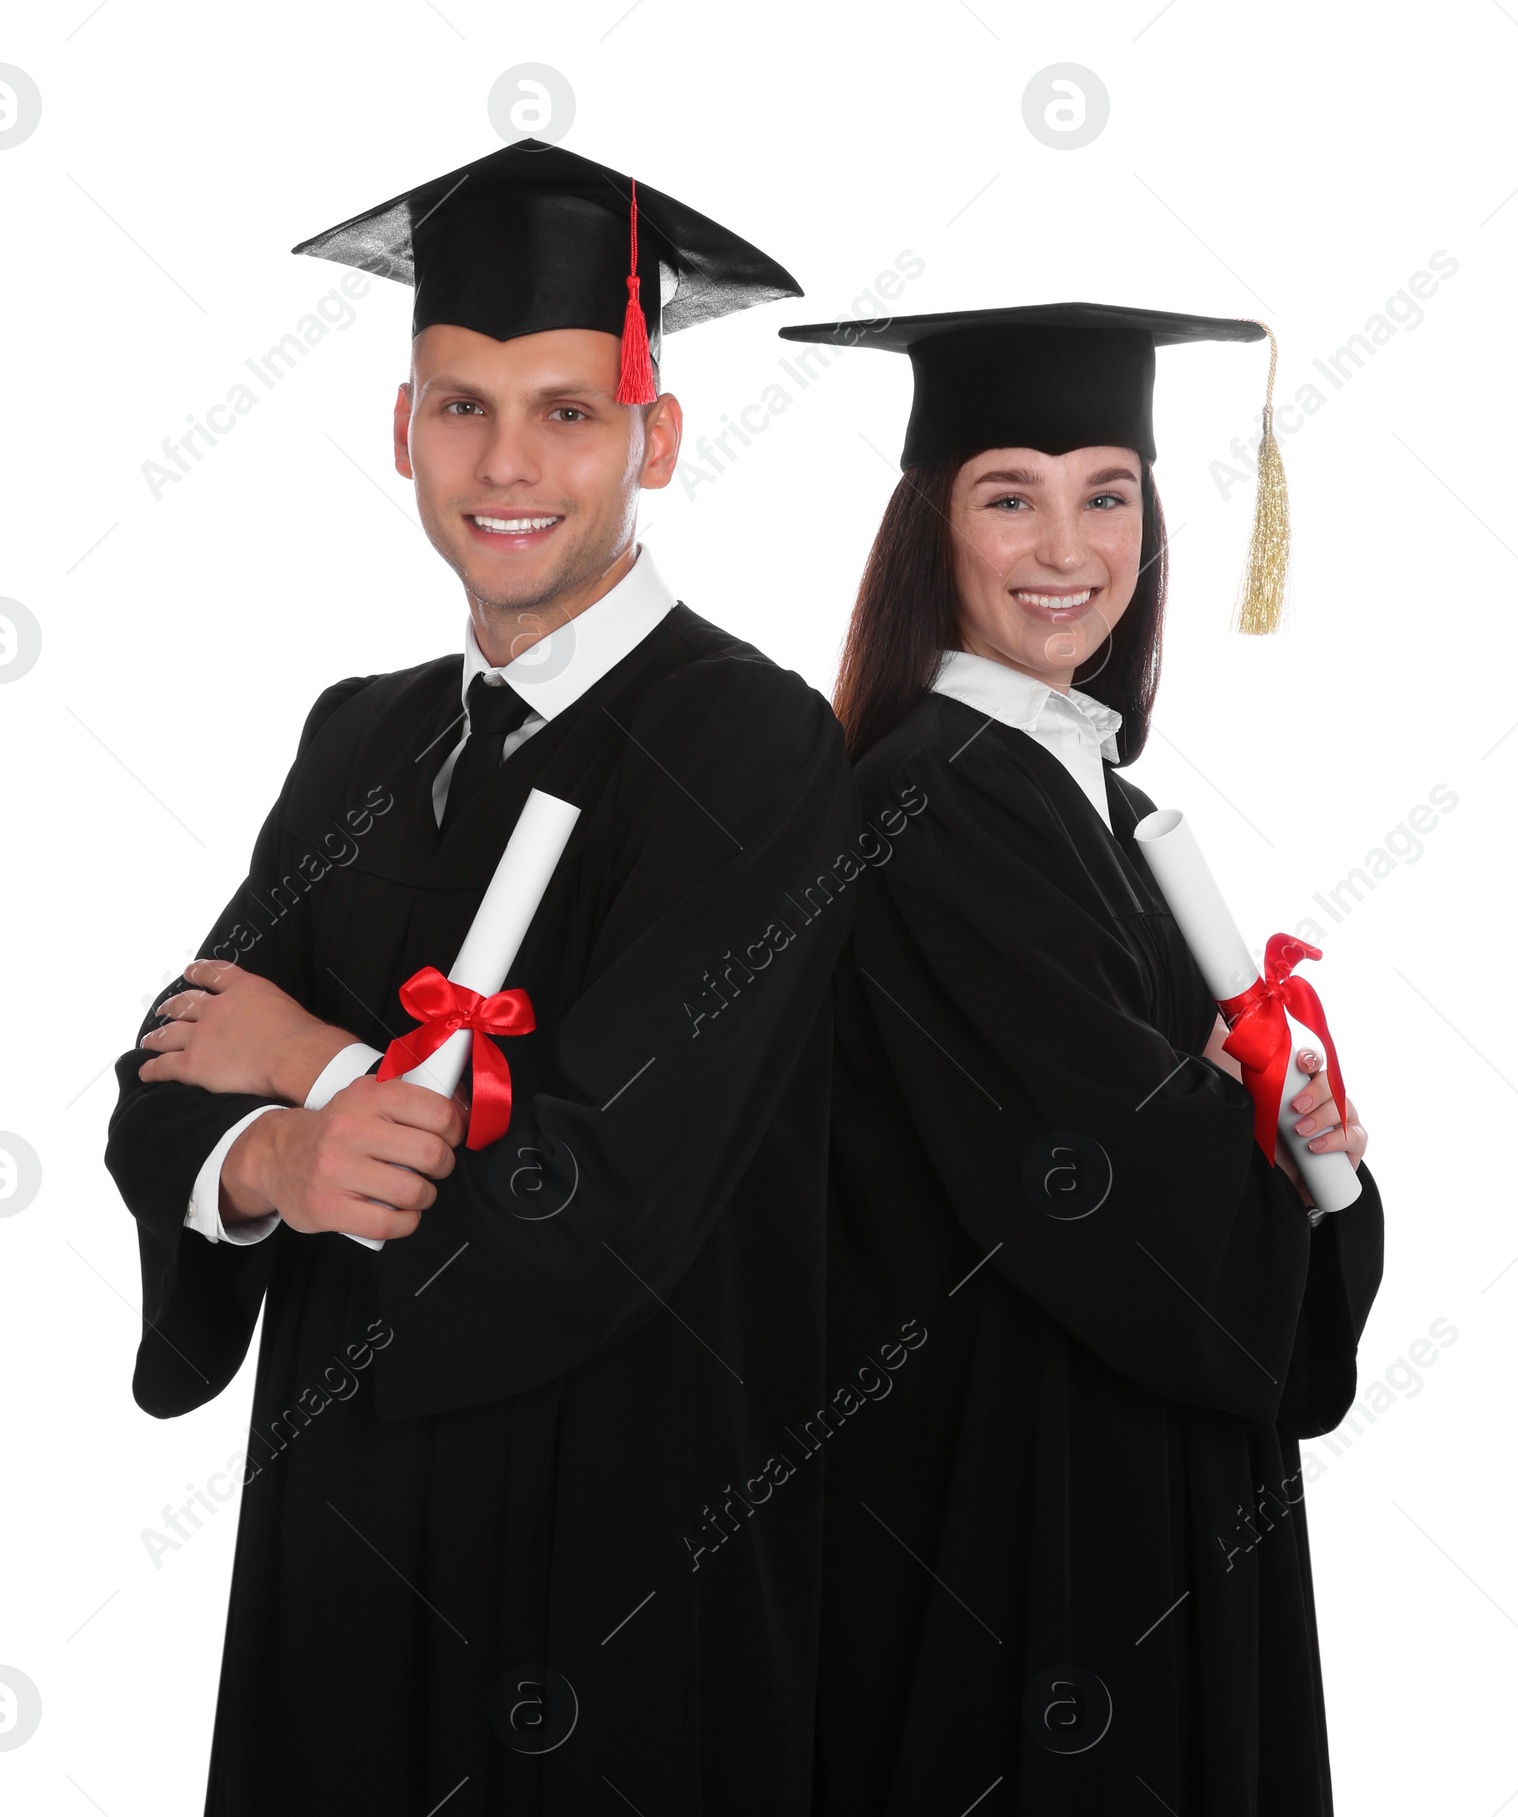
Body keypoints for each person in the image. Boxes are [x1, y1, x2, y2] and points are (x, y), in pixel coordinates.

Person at [106, 140, 860, 1816]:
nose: (506, 460)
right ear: (400, 429)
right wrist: (277, 1161)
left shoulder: (750, 746)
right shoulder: (362, 734)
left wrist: (307, 1061)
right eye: (461, 406)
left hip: (612, 1572)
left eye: (567, 411)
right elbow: (160, 1073)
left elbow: (601, 1195)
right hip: (334, 1563)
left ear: (655, 436)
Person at [777, 303, 1385, 1813]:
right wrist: (1284, 1184)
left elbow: (1156, 1120)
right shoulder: (940, 793)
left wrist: (1306, 1137)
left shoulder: (1087, 795)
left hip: (1111, 1467)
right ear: (935, 528)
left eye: (1107, 491)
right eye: (1010, 496)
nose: (1068, 546)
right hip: (1029, 1508)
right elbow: (1116, 1174)